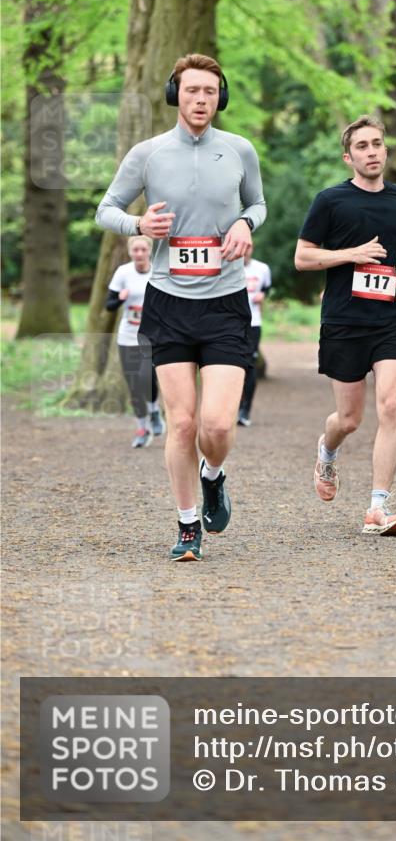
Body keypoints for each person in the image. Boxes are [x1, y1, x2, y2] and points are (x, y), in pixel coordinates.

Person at [96, 53, 266, 562]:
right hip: (168, 301)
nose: (200, 100)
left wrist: (244, 224)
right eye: (191, 90)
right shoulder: (147, 154)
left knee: (216, 426)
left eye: (210, 92)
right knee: (182, 424)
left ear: (220, 98)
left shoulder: (239, 150)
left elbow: (257, 204)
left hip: (226, 303)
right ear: (176, 95)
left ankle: (212, 476)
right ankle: (187, 524)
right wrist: (138, 226)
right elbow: (106, 209)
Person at [295, 115, 396, 536]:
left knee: (390, 404)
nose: (371, 152)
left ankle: (377, 508)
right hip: (344, 321)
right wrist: (350, 254)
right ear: (348, 156)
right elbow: (303, 258)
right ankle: (327, 450)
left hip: (391, 321)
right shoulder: (330, 201)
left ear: (386, 150)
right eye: (363, 147)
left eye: (377, 144)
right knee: (348, 419)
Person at [105, 235, 165, 448]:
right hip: (127, 336)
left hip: (151, 336)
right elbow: (109, 305)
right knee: (133, 385)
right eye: (135, 250)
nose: (139, 254)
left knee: (146, 378)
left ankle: (155, 410)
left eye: (143, 250)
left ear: (149, 251)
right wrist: (120, 298)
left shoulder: (159, 271)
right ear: (130, 252)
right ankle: (142, 428)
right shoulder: (123, 273)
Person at [238, 241, 271, 427]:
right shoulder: (226, 267)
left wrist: (263, 297)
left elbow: (266, 288)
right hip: (230, 324)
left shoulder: (262, 269)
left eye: (248, 247)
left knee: (249, 365)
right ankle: (231, 407)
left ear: (251, 248)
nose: (245, 251)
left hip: (253, 324)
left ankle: (245, 410)